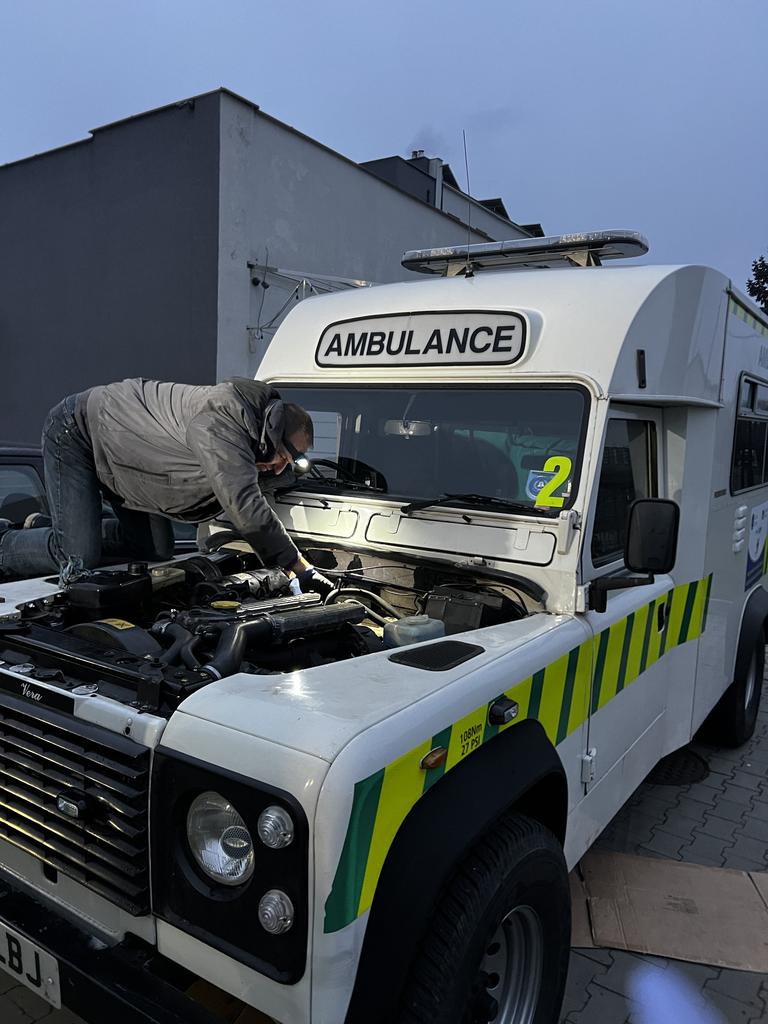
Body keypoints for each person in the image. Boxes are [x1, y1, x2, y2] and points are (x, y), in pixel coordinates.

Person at [0, 377, 329, 592]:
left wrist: (280, 467)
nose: (283, 466)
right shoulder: (222, 422)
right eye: (286, 455)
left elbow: (262, 483)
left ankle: (61, 526)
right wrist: (297, 566)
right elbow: (245, 504)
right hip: (80, 432)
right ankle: (13, 541)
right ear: (271, 430)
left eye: (293, 462)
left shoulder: (257, 441)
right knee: (76, 557)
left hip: (127, 460)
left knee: (155, 549)